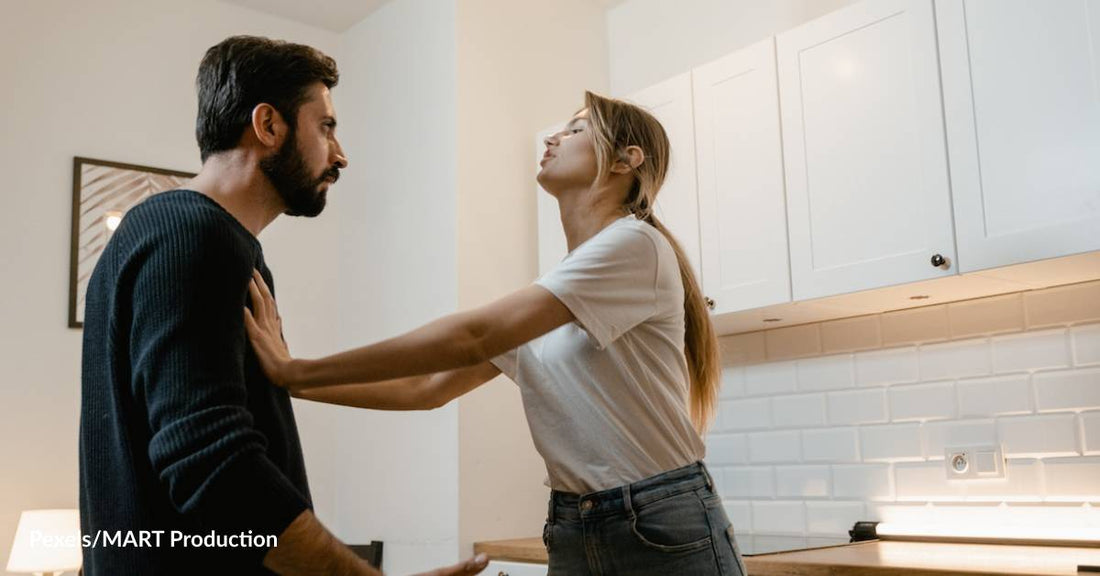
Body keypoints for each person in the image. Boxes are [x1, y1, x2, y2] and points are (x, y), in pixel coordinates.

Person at [244, 91, 749, 576]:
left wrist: (297, 369)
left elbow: (475, 335)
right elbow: (426, 387)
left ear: (625, 160)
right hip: (575, 524)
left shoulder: (634, 244)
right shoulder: (555, 296)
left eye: (576, 130)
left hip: (660, 521)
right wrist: (288, 383)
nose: (552, 138)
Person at [79, 35, 487, 576]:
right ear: (269, 125)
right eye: (326, 127)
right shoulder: (194, 236)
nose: (340, 155)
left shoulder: (188, 237)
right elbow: (213, 465)